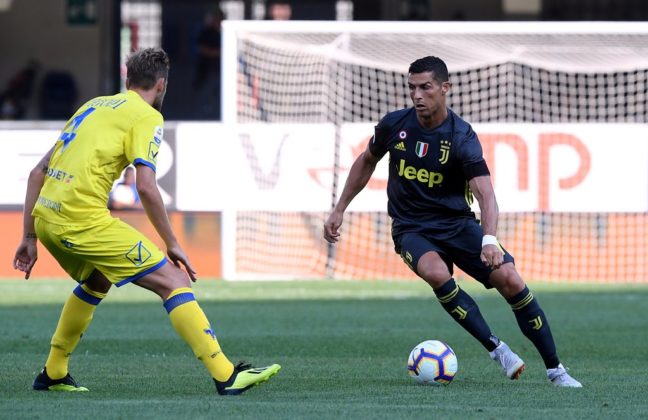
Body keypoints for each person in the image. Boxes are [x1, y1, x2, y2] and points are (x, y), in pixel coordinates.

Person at [13, 47, 280, 395]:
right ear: (161, 84)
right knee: (173, 280)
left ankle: (53, 372)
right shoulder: (147, 116)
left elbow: (37, 172)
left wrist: (29, 237)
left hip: (45, 217)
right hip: (80, 219)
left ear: (127, 79)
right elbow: (146, 187)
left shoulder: (93, 105)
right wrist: (173, 243)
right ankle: (226, 375)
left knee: (98, 279)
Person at [323, 56, 582, 388]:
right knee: (436, 273)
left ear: (445, 88)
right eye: (412, 88)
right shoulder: (394, 125)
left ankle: (556, 370)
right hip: (411, 228)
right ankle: (497, 349)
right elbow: (366, 160)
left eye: (425, 87)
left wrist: (489, 239)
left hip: (457, 224)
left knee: (511, 279)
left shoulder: (461, 136)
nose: (417, 95)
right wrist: (339, 208)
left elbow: (486, 194)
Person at [194, 10, 223, 119]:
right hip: (207, 71)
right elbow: (200, 48)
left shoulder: (224, 33)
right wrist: (217, 53)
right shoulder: (206, 33)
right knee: (205, 95)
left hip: (222, 71)